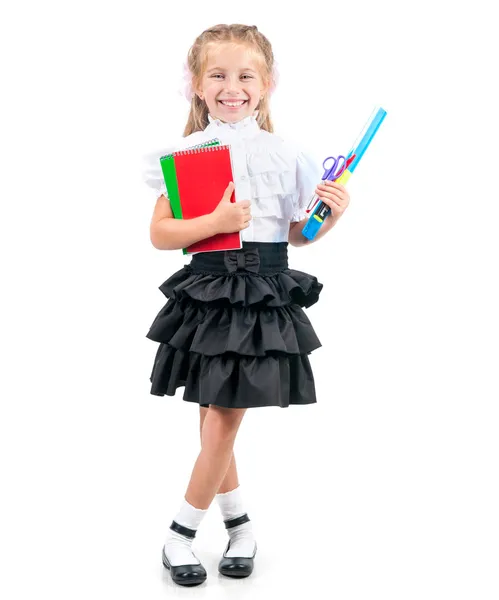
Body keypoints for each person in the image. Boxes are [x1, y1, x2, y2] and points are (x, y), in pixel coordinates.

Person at [141, 23, 350, 587]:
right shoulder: (187, 153)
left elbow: (298, 235)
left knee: (225, 418)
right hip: (208, 289)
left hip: (261, 291)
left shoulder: (288, 153)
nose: (231, 86)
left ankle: (178, 534)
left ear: (267, 84)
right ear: (196, 86)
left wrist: (329, 215)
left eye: (244, 75)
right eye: (218, 75)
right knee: (214, 416)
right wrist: (214, 222)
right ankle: (239, 526)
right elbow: (161, 233)